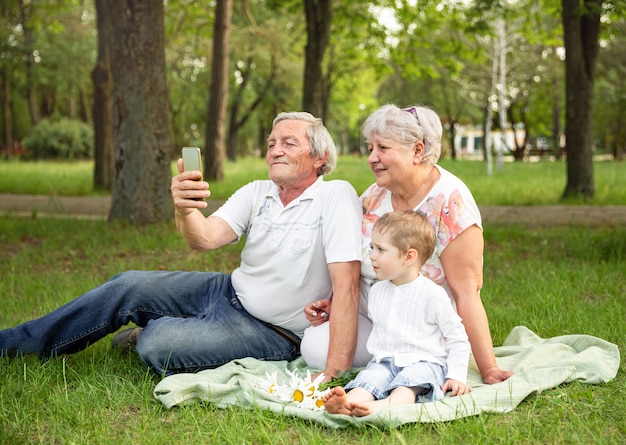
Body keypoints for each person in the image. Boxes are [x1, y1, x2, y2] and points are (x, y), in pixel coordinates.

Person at [0, 112, 363, 380]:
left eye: (288, 143)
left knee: (157, 344)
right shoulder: (258, 191)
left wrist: (333, 373)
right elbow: (203, 239)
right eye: (271, 144)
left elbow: (347, 285)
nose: (274, 151)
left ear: (319, 158)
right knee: (128, 284)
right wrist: (184, 207)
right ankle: (15, 344)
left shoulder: (334, 196)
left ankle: (155, 328)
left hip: (271, 331)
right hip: (225, 291)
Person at [301, 104, 514, 385]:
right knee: (314, 345)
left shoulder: (451, 203)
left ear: (417, 151)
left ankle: (415, 361)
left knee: (326, 348)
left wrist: (489, 369)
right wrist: (336, 305)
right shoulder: (374, 197)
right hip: (378, 317)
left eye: (383, 148)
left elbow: (467, 293)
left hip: (421, 327)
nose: (372, 158)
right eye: (370, 148)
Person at [324, 210, 471, 416]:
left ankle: (386, 405)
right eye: (372, 247)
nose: (372, 256)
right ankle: (347, 403)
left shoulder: (432, 294)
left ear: (409, 256)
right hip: (385, 360)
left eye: (381, 250)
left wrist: (456, 376)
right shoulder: (377, 290)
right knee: (371, 378)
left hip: (425, 361)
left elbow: (457, 337)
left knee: (409, 383)